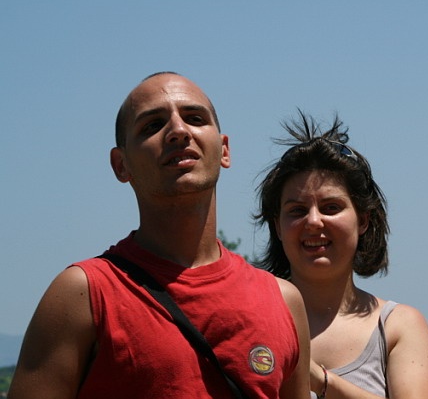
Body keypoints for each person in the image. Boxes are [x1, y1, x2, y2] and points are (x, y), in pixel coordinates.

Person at [8, 72, 310, 399]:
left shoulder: (284, 301)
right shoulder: (82, 296)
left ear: (224, 150)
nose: (179, 131)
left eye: (195, 118)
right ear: (120, 165)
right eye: (152, 125)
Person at [255, 111, 428, 399]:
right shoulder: (249, 319)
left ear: (363, 220)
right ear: (277, 226)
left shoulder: (398, 327)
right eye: (297, 210)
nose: (313, 221)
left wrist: (319, 380)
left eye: (331, 207)